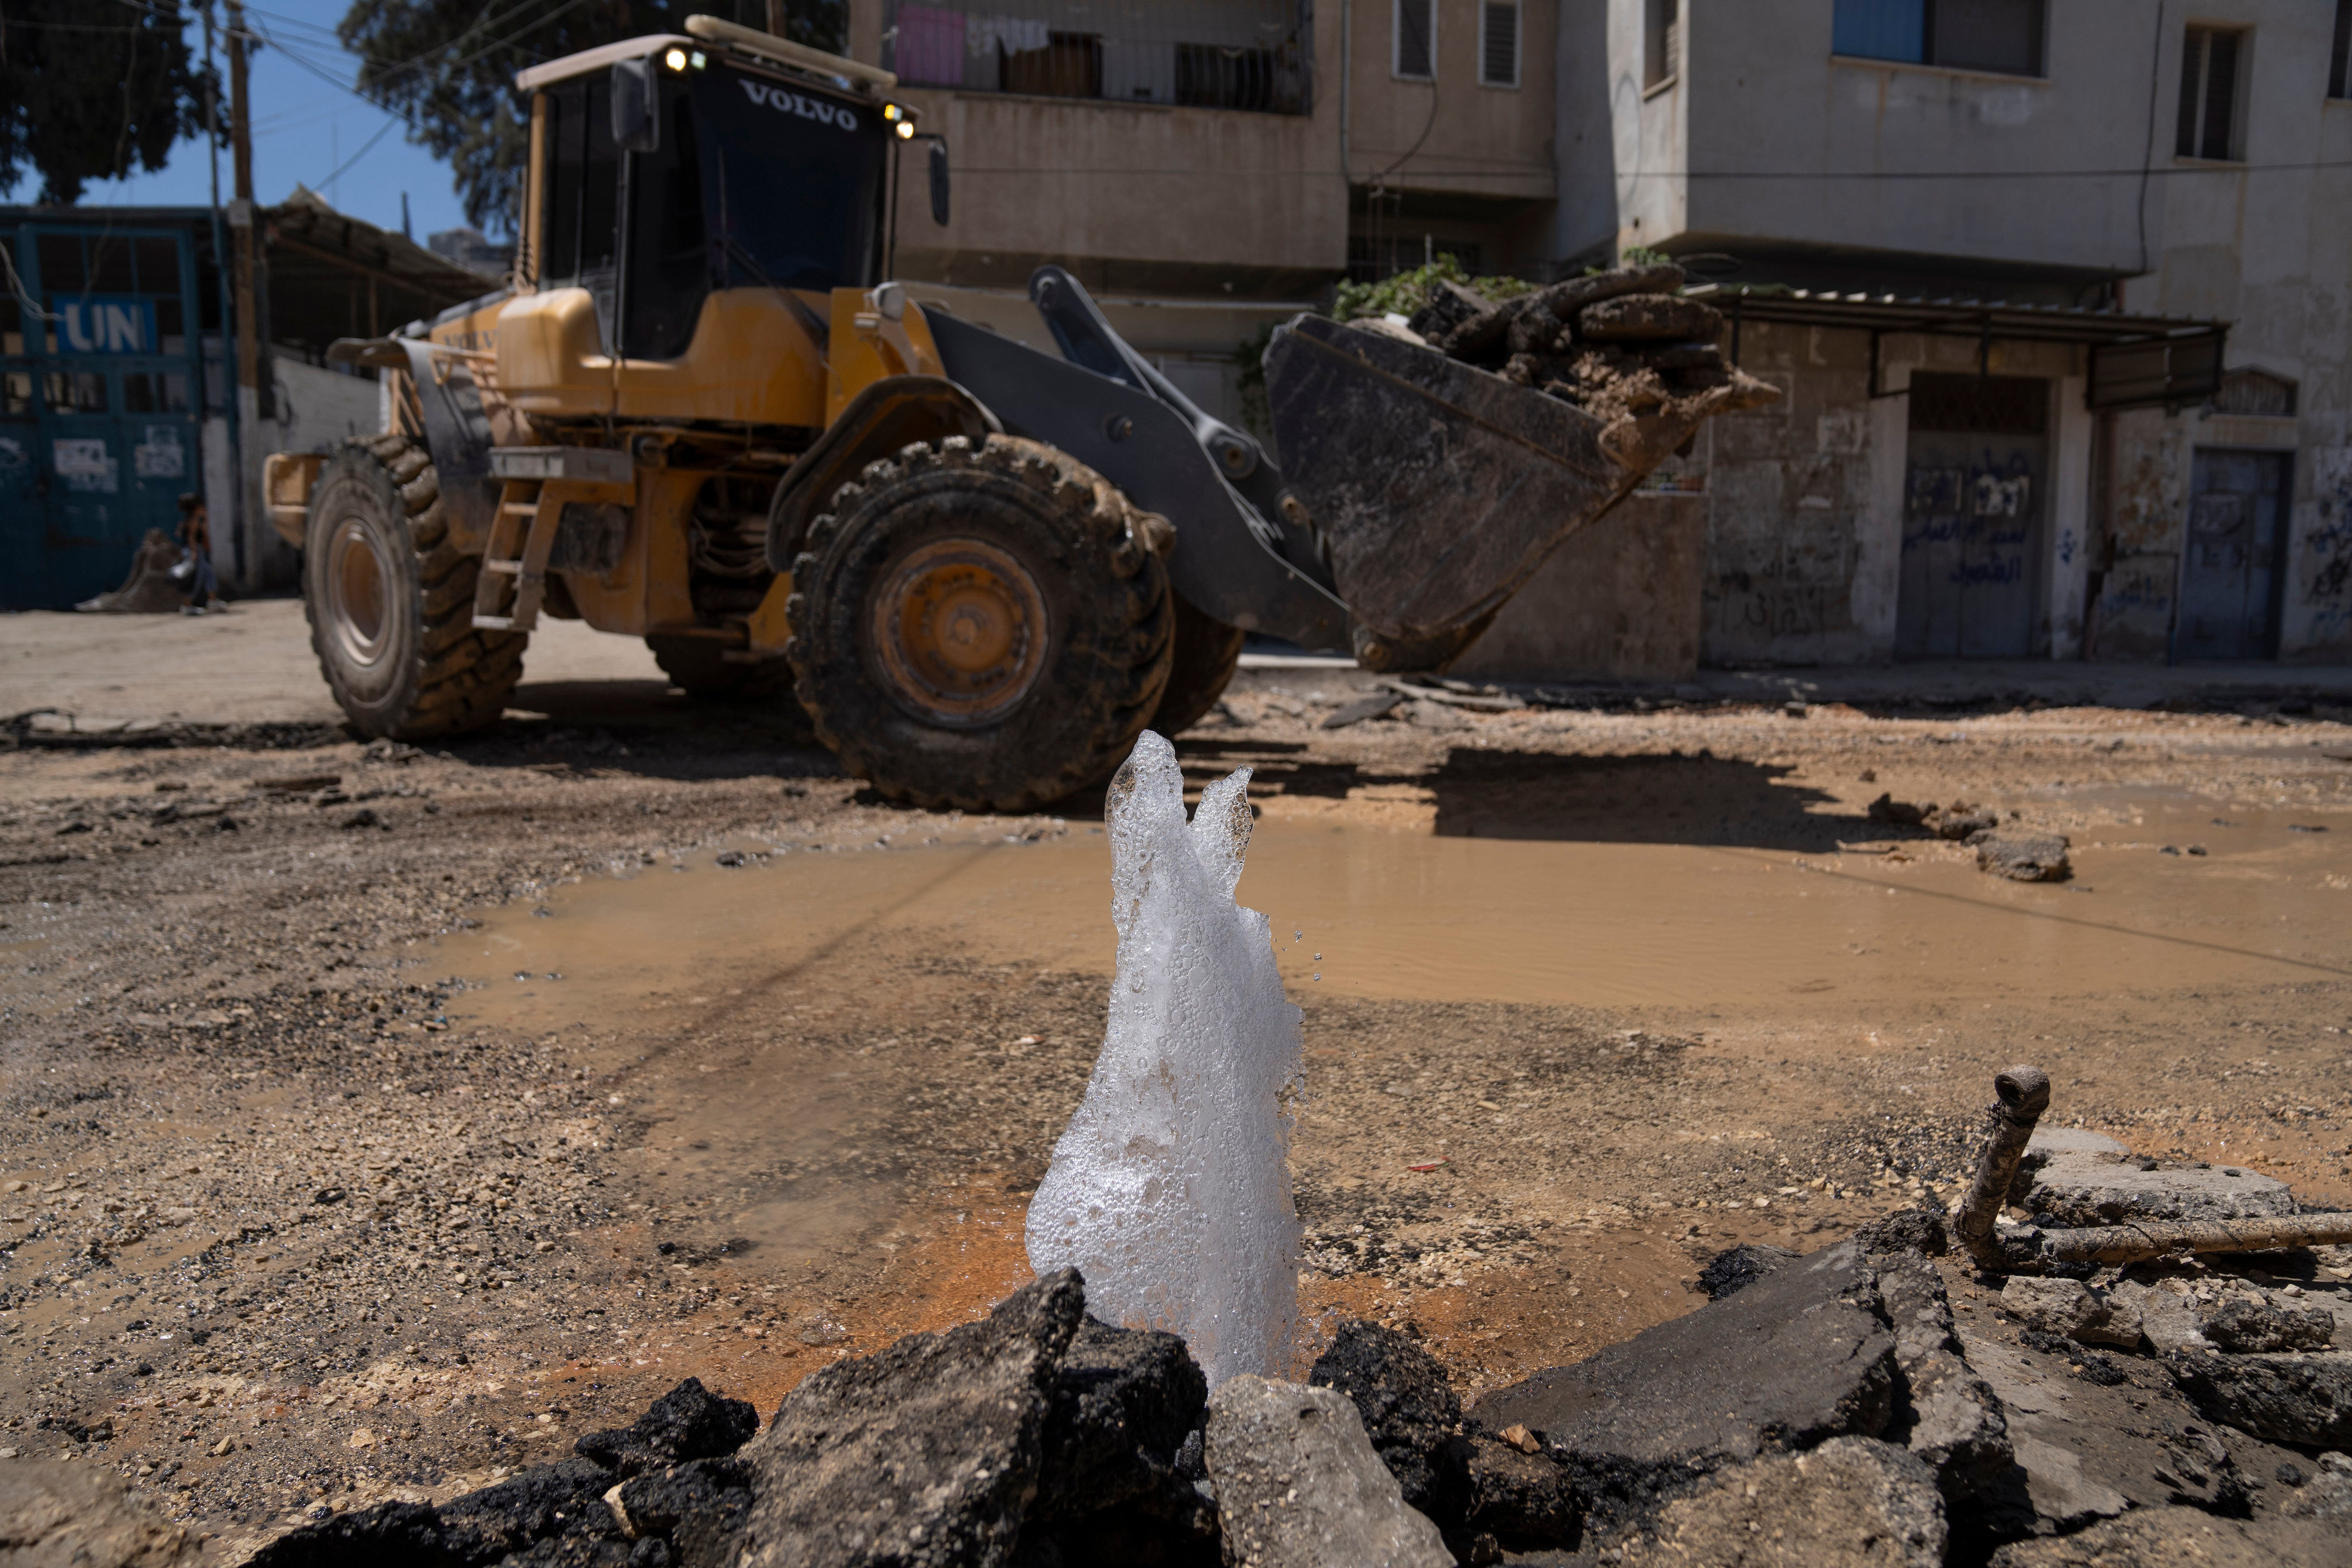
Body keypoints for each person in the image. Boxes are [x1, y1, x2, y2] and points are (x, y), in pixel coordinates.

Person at [176, 492, 217, 614]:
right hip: (194, 552)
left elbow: (180, 534)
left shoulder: (189, 520)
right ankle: (187, 605)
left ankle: (213, 601)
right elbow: (192, 537)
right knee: (196, 579)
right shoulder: (194, 520)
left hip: (192, 551)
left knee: (209, 575)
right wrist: (194, 553)